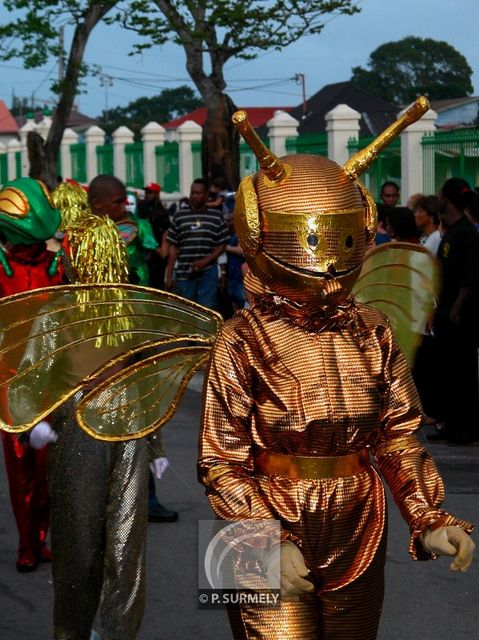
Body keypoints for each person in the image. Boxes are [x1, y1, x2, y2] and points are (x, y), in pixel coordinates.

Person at [199, 104, 475, 640]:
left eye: (344, 240)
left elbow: (399, 435)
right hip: (259, 516)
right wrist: (263, 539)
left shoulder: (373, 328)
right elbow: (219, 461)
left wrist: (430, 517)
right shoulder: (241, 335)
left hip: (360, 521)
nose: (327, 262)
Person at [16, 176, 168, 640]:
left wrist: (36, 421)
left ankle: (82, 632)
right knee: (118, 547)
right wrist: (37, 422)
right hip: (114, 433)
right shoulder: (129, 309)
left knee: (87, 544)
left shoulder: (58, 310)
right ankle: (98, 632)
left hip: (92, 433)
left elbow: (31, 378)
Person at [0, 177, 65, 572]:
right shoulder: (2, 269)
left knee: (47, 467)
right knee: (19, 463)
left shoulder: (58, 265)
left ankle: (41, 537)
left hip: (49, 379)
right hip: (9, 381)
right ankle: (27, 542)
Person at [427, 178, 479, 445]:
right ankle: (451, 423)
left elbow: (468, 280)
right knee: (447, 371)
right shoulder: (453, 231)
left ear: (446, 199)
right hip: (446, 312)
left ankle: (466, 427)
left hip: (461, 317)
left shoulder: (466, 234)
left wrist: (456, 310)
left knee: (463, 372)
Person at [165, 178, 229, 309]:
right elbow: (173, 247)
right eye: (193, 193)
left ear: (206, 195)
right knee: (186, 311)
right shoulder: (179, 216)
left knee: (206, 311)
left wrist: (206, 261)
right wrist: (169, 275)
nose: (196, 196)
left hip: (208, 273)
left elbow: (222, 244)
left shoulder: (216, 216)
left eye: (199, 193)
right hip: (184, 272)